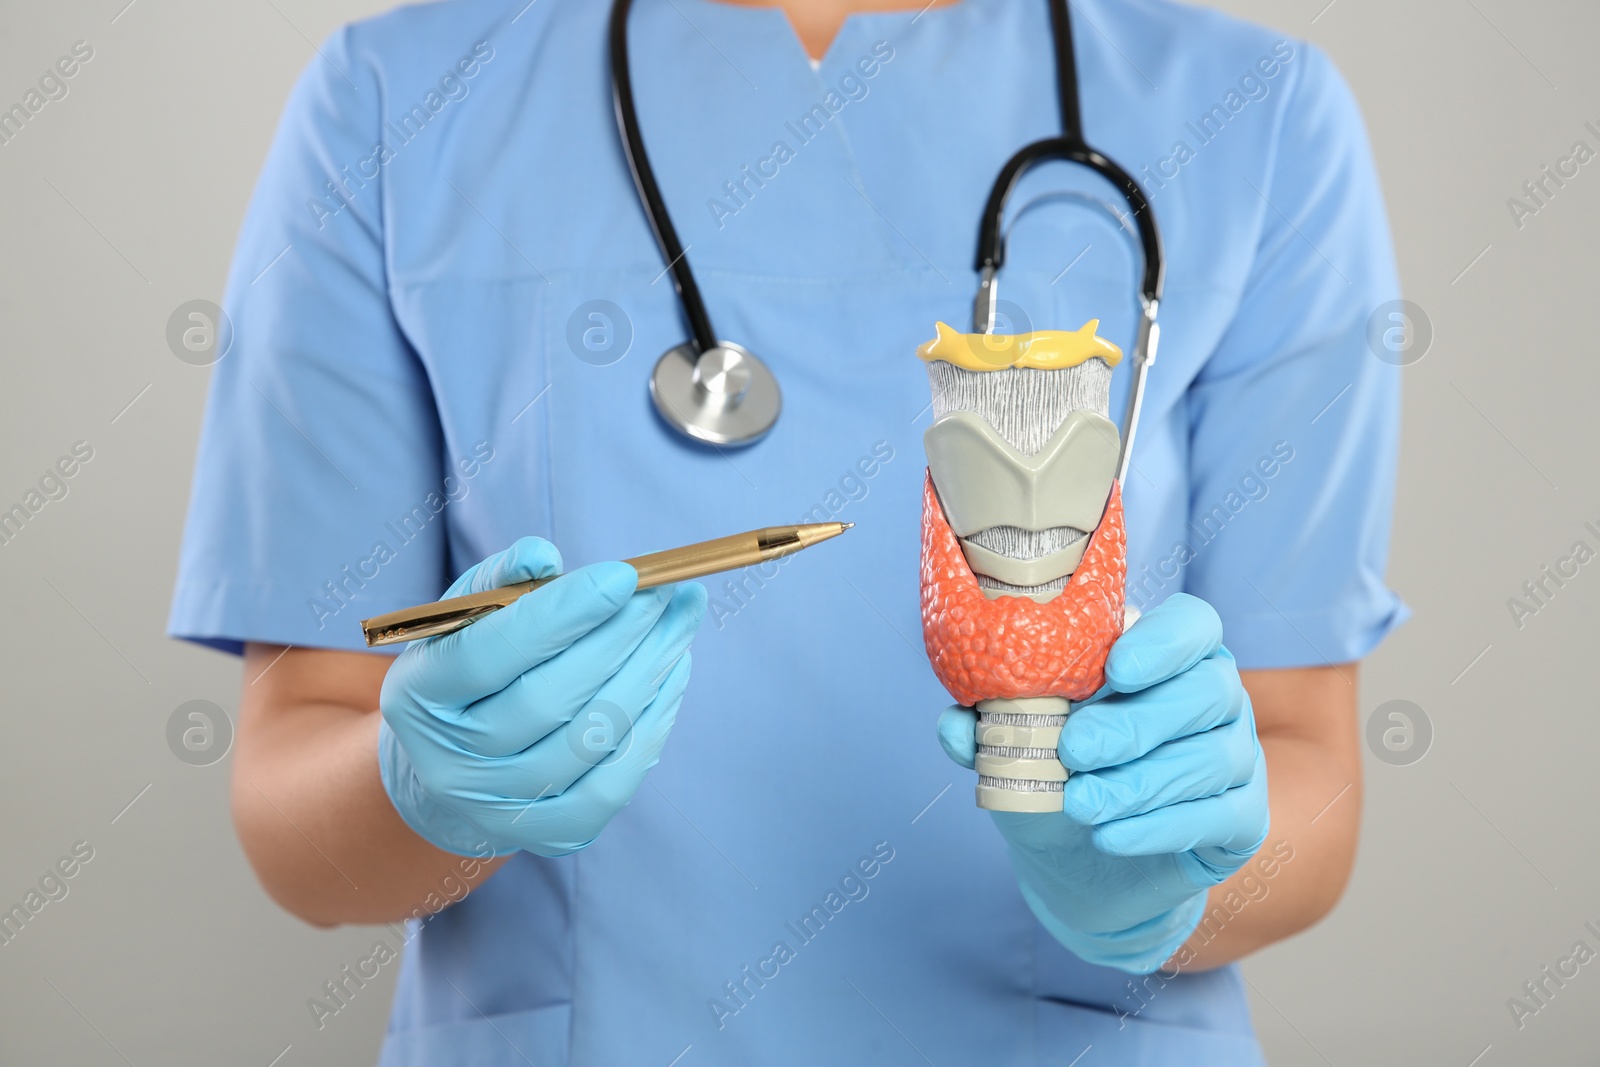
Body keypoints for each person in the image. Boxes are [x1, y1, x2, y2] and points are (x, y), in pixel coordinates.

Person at [169, 0, 1407, 1063]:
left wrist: (1158, 877)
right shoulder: (394, 101)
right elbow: (291, 792)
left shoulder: (1253, 114)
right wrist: (429, 788)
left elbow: (1308, 772)